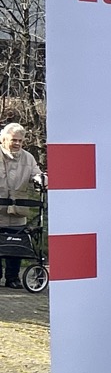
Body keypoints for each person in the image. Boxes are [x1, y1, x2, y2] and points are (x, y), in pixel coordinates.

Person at [1, 123, 43, 289]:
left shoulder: (28, 158)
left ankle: (13, 278)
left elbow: (36, 174)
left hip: (17, 211)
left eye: (20, 140)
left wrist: (41, 179)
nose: (17, 143)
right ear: (4, 139)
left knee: (16, 245)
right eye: (14, 140)